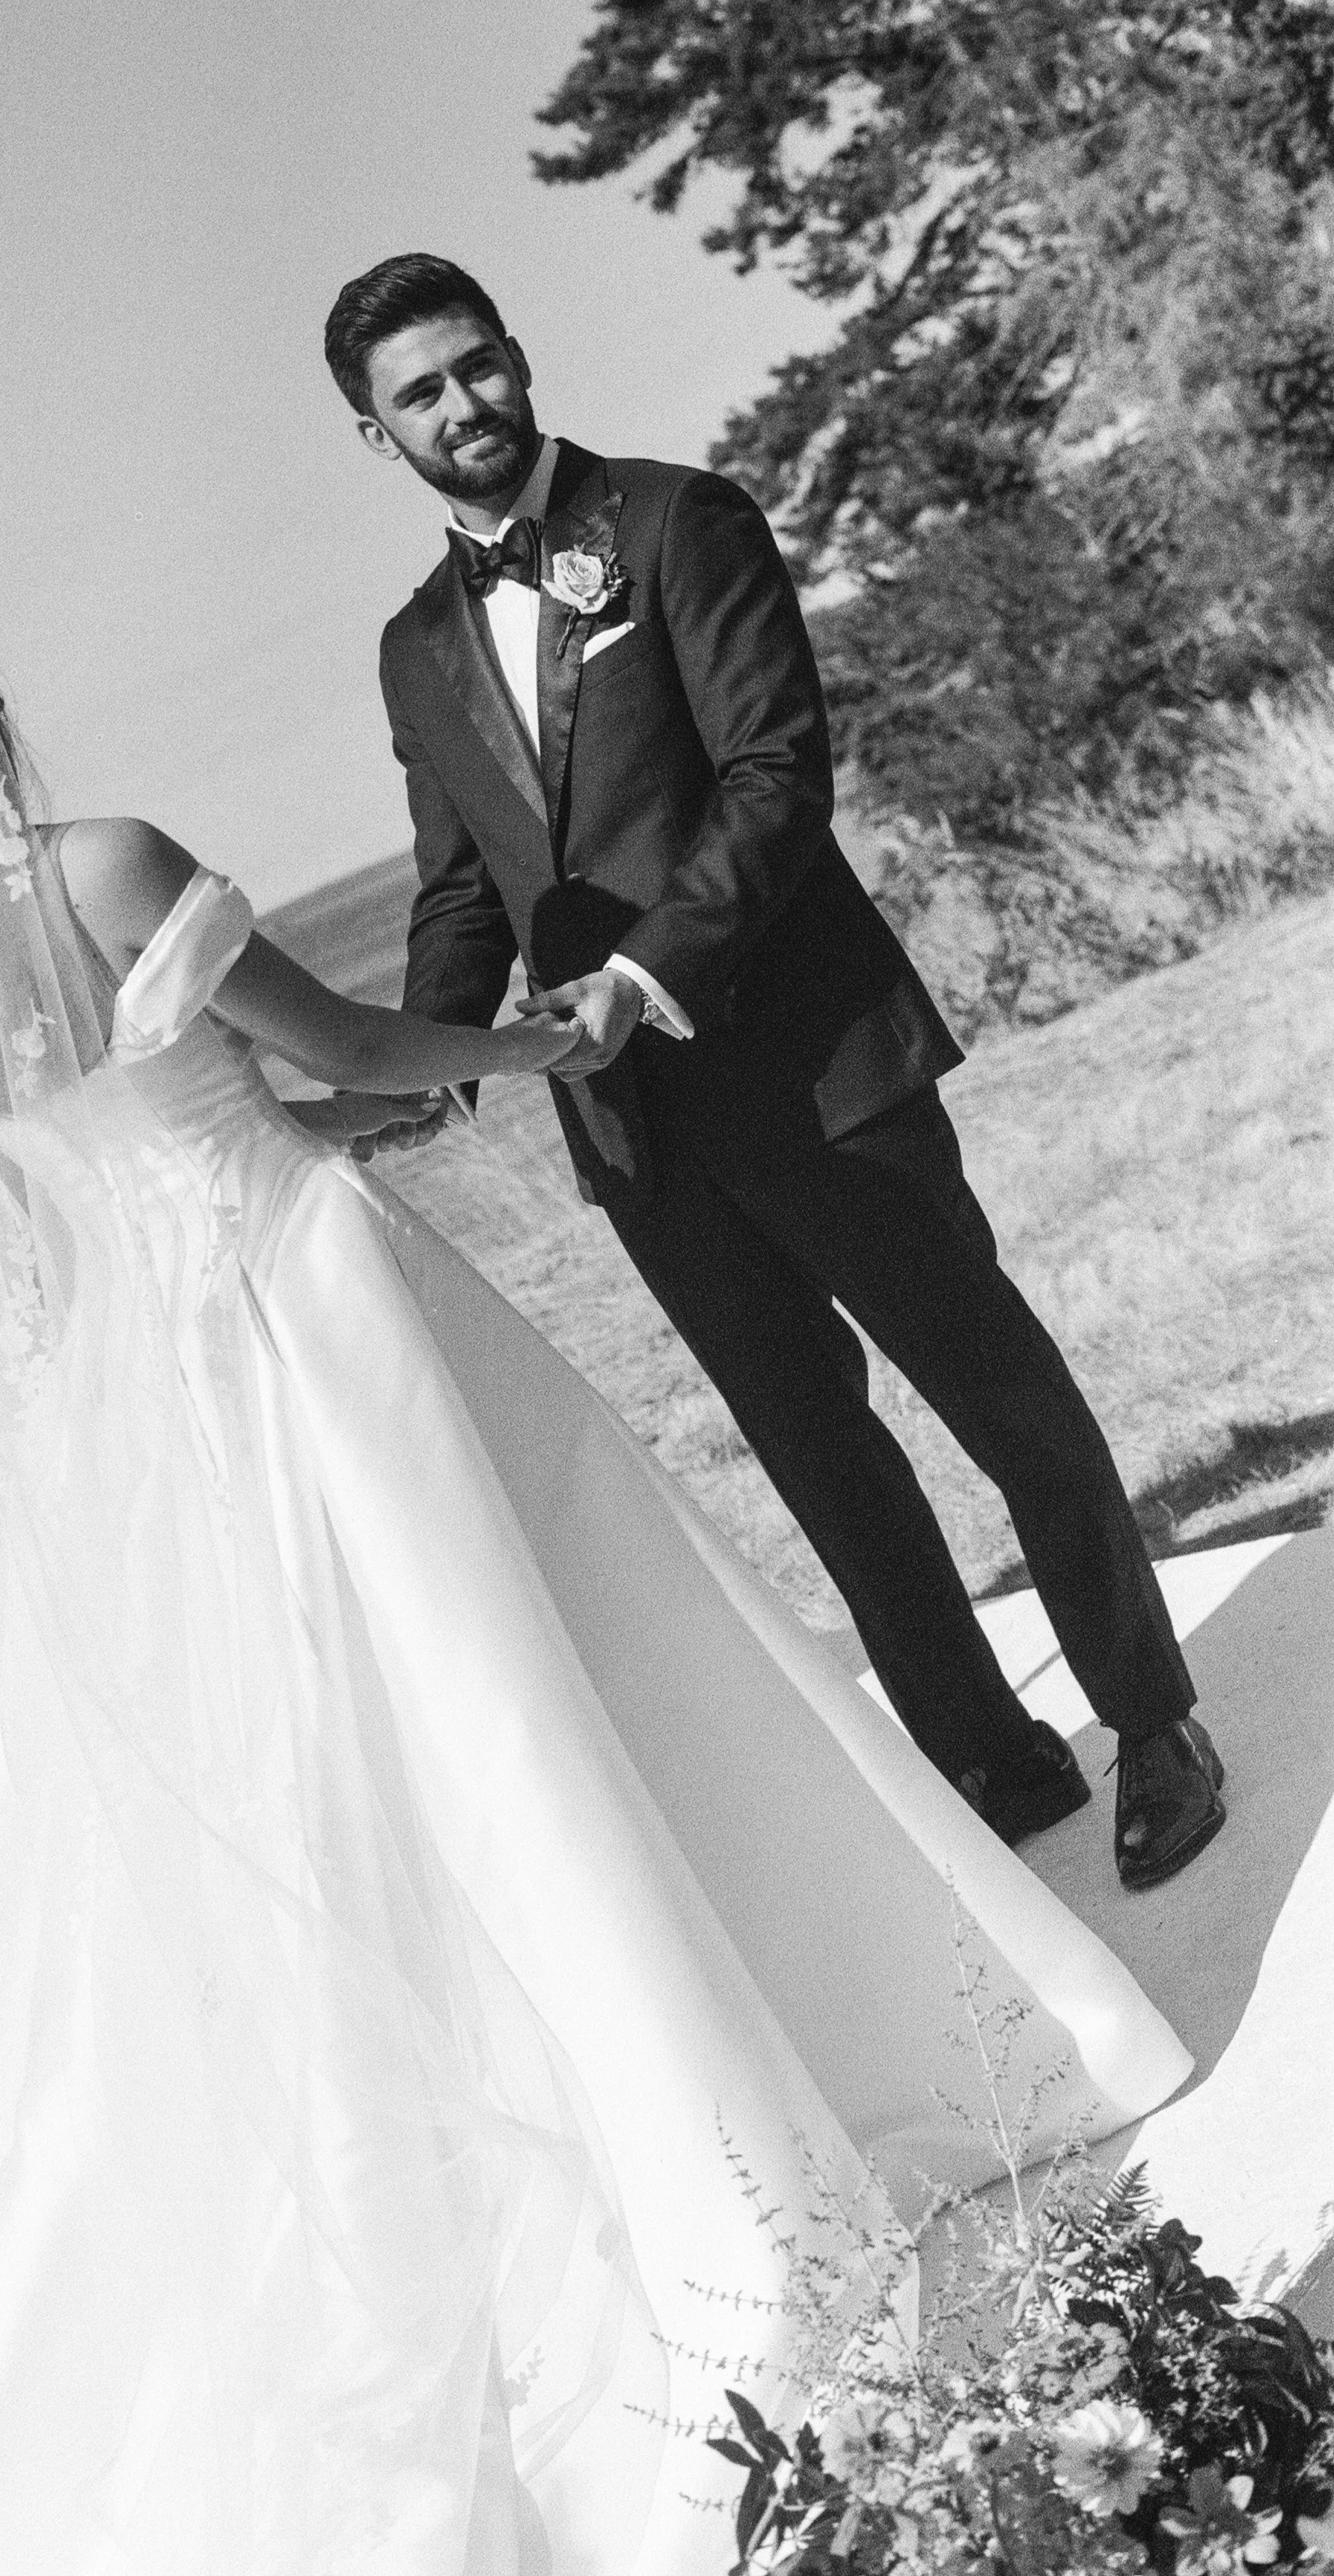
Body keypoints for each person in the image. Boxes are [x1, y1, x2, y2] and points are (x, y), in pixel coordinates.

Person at [0, 539, 1190, 2575]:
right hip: (307, 1301)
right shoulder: (97, 864)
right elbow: (336, 1055)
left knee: (345, 1764)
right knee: (532, 1671)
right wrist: (535, 1054)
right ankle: (742, 2111)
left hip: (146, 1389)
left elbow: (66, 1178)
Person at [324, 249, 1226, 1895]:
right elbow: (461, 890)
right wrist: (422, 1073)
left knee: (992, 1391)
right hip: (633, 1133)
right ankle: (985, 1758)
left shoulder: (677, 522)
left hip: (814, 1068)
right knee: (817, 1453)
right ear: (370, 437)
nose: (463, 406)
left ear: (519, 355)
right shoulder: (407, 650)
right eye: (419, 394)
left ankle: (1153, 1719)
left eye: (476, 367)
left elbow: (773, 777)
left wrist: (643, 972)